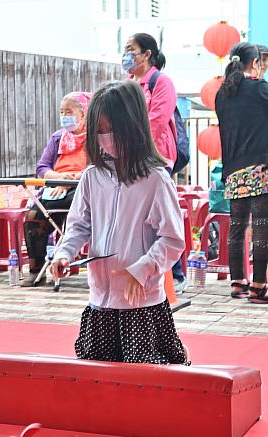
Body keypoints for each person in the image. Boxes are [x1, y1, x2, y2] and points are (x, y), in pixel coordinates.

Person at [49, 80, 187, 364]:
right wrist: (64, 253)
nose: (102, 138)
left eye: (108, 130)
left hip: (141, 304)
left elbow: (173, 239)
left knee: (144, 385)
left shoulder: (155, 179)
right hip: (100, 301)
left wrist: (142, 269)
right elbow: (78, 225)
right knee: (98, 382)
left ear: (130, 127)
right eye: (97, 131)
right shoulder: (91, 177)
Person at [216, 42, 268, 303]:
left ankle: (238, 282)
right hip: (261, 164)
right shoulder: (257, 86)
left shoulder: (222, 93)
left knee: (237, 226)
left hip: (233, 167)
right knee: (262, 225)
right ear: (255, 62)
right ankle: (260, 287)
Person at [122, 32, 187, 292]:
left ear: (147, 54)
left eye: (131, 49)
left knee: (162, 217)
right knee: (136, 218)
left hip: (155, 158)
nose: (126, 54)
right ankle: (142, 269)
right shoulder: (127, 83)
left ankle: (177, 275)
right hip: (128, 158)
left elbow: (157, 120)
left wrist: (131, 144)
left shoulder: (161, 82)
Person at [22, 91, 91, 286]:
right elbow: (42, 168)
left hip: (82, 188)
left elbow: (96, 167)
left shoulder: (94, 137)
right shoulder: (57, 137)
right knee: (33, 217)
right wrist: (59, 177)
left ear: (83, 113)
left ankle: (67, 261)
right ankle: (36, 270)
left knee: (76, 216)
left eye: (69, 111)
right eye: (62, 112)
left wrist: (73, 178)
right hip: (55, 187)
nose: (64, 116)